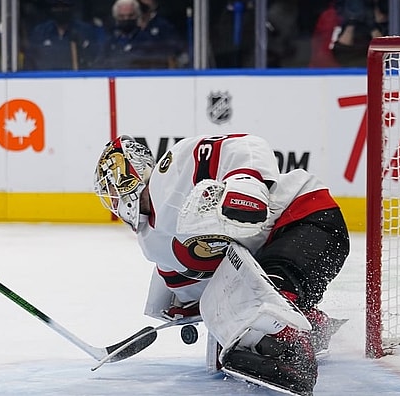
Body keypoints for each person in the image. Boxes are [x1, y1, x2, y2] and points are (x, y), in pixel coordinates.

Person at [93, 134, 350, 395]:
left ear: (130, 175)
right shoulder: (151, 242)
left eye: (113, 187)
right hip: (267, 259)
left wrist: (246, 183)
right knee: (247, 310)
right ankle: (310, 323)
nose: (114, 200)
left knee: (268, 298)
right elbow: (209, 285)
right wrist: (185, 308)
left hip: (309, 219)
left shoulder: (172, 171)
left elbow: (245, 145)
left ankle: (294, 350)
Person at [23, 0, 104, 70]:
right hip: (46, 79)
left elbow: (96, 60)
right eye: (57, 6)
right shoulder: (40, 32)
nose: (61, 10)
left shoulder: (85, 30)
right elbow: (30, 61)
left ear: (72, 8)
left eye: (65, 6)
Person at [308, 0, 363, 68]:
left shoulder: (365, 16)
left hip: (350, 74)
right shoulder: (327, 15)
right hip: (322, 73)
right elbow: (316, 48)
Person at [132, 0, 186, 68]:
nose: (140, 2)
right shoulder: (130, 24)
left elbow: (175, 49)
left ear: (155, 2)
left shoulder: (164, 26)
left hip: (157, 70)